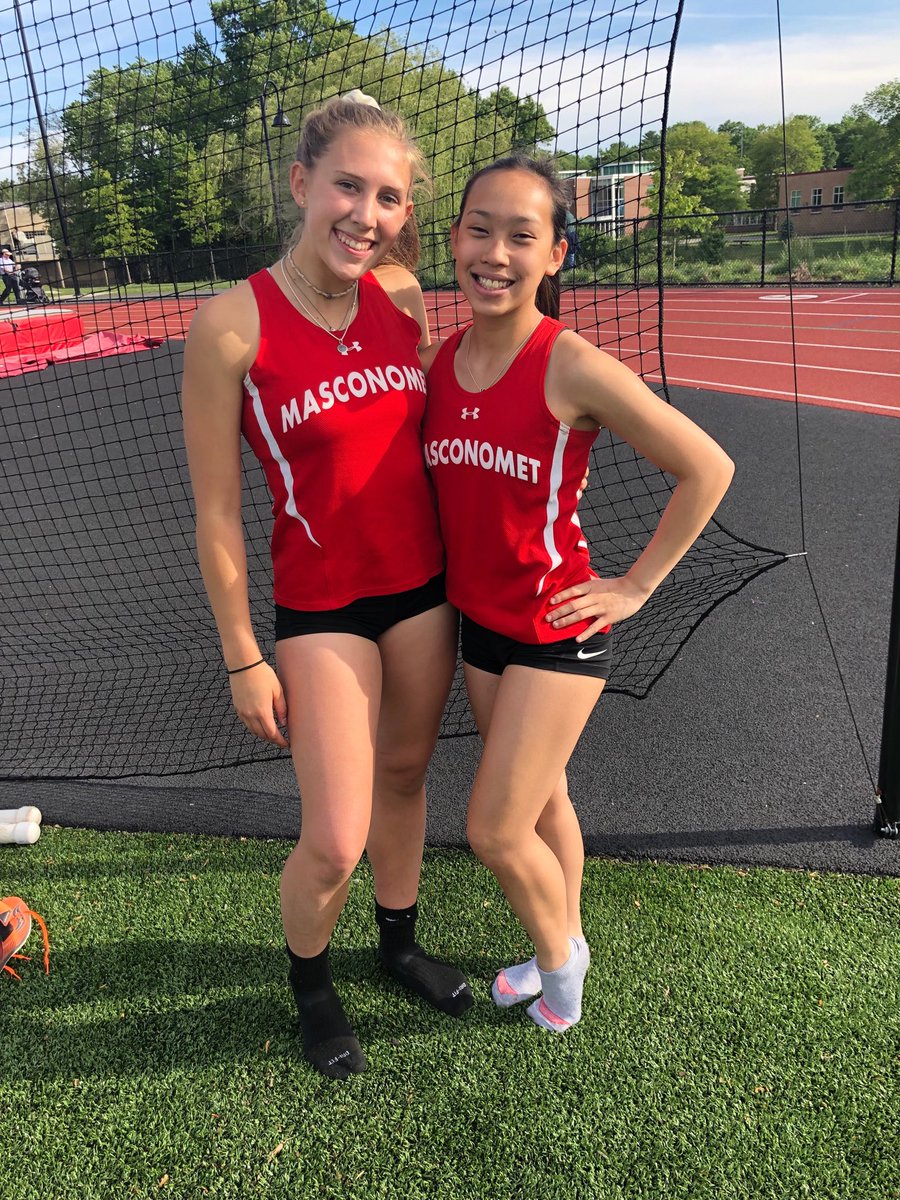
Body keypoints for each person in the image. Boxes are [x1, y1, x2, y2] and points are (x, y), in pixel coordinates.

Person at [181, 92, 471, 1082]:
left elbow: (433, 436)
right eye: (349, 185)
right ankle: (311, 982)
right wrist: (242, 656)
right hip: (323, 611)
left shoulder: (402, 295)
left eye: (388, 196)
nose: (368, 212)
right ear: (303, 185)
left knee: (405, 777)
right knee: (336, 835)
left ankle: (397, 947)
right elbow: (217, 511)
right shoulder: (230, 324)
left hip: (422, 592)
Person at [422, 154, 734, 1033]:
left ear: (555, 254)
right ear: (455, 239)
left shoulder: (572, 365)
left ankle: (562, 965)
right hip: (479, 627)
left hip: (559, 629)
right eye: (479, 228)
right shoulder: (441, 362)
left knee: (493, 830)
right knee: (546, 799)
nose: (495, 252)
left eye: (522, 236)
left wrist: (635, 585)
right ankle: (564, 935)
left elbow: (707, 466)